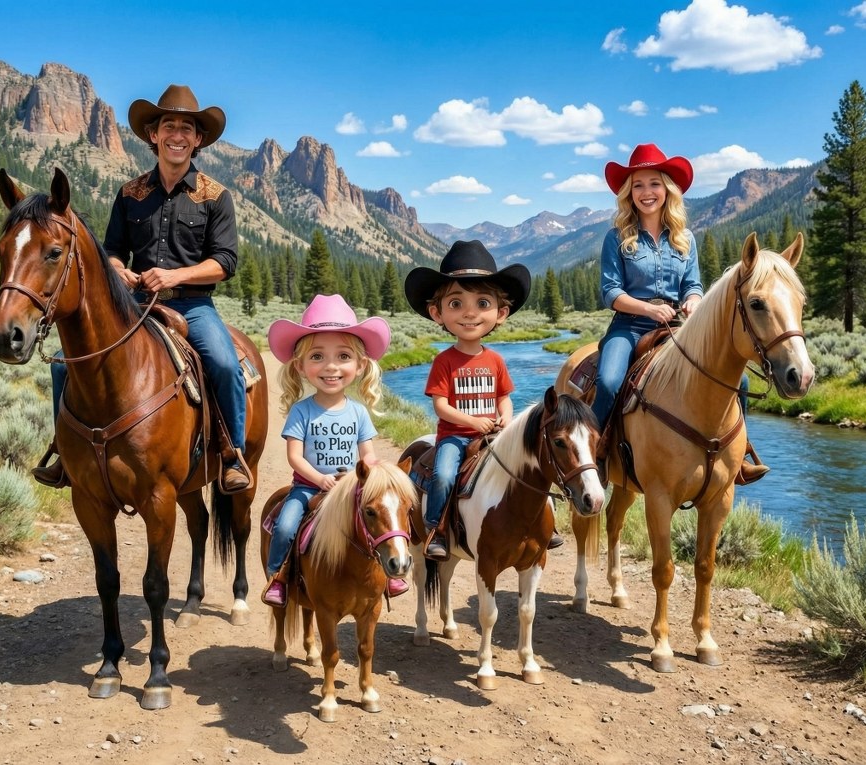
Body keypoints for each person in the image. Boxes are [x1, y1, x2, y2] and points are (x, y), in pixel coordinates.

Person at [33, 84, 251, 493]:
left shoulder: (216, 196)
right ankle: (65, 452)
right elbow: (111, 251)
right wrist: (119, 272)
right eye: (169, 125)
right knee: (65, 361)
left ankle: (231, 453)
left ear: (198, 139)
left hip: (193, 307)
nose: (178, 135)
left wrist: (174, 276)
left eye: (187, 128)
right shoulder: (130, 193)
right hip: (133, 305)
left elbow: (225, 262)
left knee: (224, 364)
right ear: (154, 135)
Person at [595, 143, 768, 483]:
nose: (647, 192)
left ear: (667, 189)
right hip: (629, 326)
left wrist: (692, 299)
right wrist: (647, 308)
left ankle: (739, 455)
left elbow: (693, 283)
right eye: (639, 185)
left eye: (654, 184)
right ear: (629, 193)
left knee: (741, 379)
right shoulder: (617, 237)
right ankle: (596, 454)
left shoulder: (684, 238)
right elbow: (610, 292)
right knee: (609, 380)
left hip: (678, 326)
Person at [262, 294, 406, 607]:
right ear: (300, 366)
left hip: (350, 489)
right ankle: (279, 577)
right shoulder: (302, 411)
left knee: (382, 520)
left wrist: (376, 474)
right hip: (307, 488)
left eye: (343, 356)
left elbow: (367, 454)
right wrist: (320, 479)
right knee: (286, 525)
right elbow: (294, 457)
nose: (331, 366)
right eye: (317, 357)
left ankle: (389, 573)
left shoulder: (357, 412)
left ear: (360, 365)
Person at [404, 240, 533, 560]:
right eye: (457, 304)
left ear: (501, 313)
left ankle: (540, 526)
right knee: (444, 474)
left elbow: (504, 397)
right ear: (438, 313)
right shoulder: (444, 361)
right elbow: (441, 405)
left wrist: (506, 416)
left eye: (483, 303)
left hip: (493, 435)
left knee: (527, 466)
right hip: (454, 437)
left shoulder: (496, 360)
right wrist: (473, 421)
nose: (470, 313)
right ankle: (436, 528)